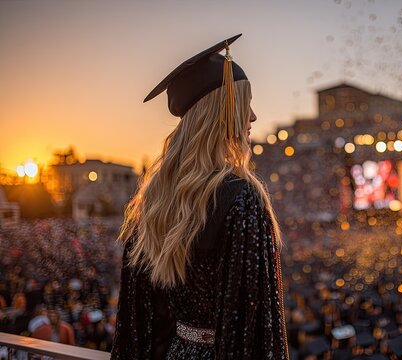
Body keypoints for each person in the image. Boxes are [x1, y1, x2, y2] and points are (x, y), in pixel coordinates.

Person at [110, 34, 289, 359]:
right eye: (245, 104)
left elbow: (143, 317)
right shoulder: (242, 197)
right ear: (222, 111)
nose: (252, 117)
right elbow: (255, 325)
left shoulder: (156, 198)